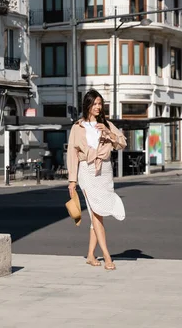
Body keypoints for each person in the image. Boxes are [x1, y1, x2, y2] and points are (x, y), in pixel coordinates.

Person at [67, 89, 127, 271]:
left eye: (100, 104)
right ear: (87, 105)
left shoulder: (106, 124)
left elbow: (122, 143)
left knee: (97, 215)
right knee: (96, 213)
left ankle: (91, 255)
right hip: (87, 171)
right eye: (95, 104)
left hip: (105, 171)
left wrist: (108, 133)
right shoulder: (78, 127)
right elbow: (72, 153)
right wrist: (72, 180)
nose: (98, 107)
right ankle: (108, 257)